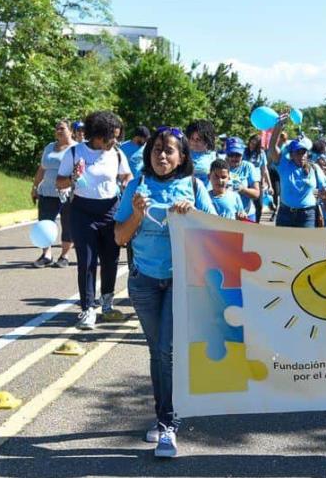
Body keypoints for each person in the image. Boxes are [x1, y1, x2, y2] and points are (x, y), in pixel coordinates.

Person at [114, 127, 216, 458]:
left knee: (167, 351)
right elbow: (119, 237)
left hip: (180, 281)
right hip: (144, 280)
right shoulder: (136, 186)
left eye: (169, 150)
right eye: (157, 149)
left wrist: (195, 214)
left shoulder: (195, 186)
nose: (161, 155)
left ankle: (167, 425)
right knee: (157, 352)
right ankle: (167, 415)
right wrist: (138, 214)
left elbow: (215, 235)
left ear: (182, 156)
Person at [56, 111, 132, 330]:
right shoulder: (74, 152)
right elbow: (60, 183)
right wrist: (72, 178)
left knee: (111, 260)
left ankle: (107, 304)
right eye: (111, 137)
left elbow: (126, 176)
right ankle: (88, 309)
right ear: (97, 135)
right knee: (87, 262)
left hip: (110, 211)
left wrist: (125, 183)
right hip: (82, 212)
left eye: (117, 136)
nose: (115, 141)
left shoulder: (116, 154)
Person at [30, 120, 77, 268]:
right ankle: (46, 255)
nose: (59, 131)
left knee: (67, 224)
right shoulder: (49, 147)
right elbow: (42, 168)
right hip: (47, 192)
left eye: (62, 128)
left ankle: (64, 255)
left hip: (67, 193)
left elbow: (80, 172)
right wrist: (35, 186)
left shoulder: (76, 148)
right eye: (57, 128)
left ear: (70, 131)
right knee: (44, 223)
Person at [268, 128, 326, 228]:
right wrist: (279, 125)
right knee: (283, 243)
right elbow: (272, 147)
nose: (301, 155)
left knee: (305, 244)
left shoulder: (315, 168)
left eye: (303, 152)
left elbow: (325, 192)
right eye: (298, 152)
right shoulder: (284, 165)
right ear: (291, 154)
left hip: (307, 215)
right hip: (285, 214)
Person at [224, 137, 261, 222]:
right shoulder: (221, 166)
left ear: (242, 153)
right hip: (226, 215)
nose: (234, 158)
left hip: (246, 215)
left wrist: (243, 189)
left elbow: (256, 193)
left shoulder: (248, 167)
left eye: (238, 155)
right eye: (231, 154)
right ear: (226, 153)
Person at [244, 134, 272, 221]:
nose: (251, 145)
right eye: (251, 143)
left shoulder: (261, 153)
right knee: (244, 205)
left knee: (259, 206)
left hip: (257, 182)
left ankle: (257, 224)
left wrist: (270, 185)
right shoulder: (243, 151)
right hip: (245, 181)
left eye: (254, 144)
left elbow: (264, 169)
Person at [184, 120, 218, 186]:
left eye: (198, 139)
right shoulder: (183, 154)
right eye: (192, 138)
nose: (194, 142)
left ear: (207, 140)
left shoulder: (214, 156)